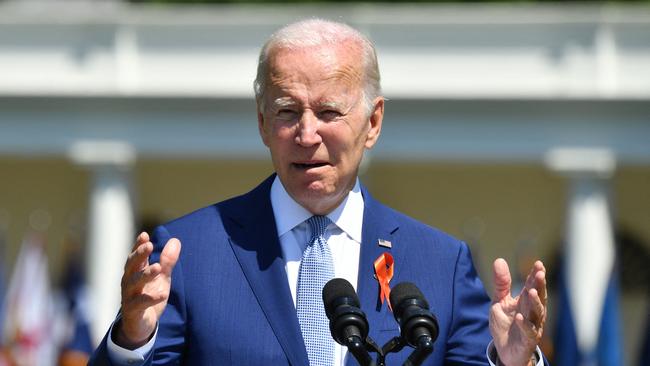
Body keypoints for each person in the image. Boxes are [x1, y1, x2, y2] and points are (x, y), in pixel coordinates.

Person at [89, 19, 547, 366]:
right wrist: (131, 341)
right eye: (287, 111)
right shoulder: (191, 254)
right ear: (262, 122)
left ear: (373, 123)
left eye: (329, 111)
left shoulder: (440, 264)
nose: (307, 134)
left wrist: (513, 361)